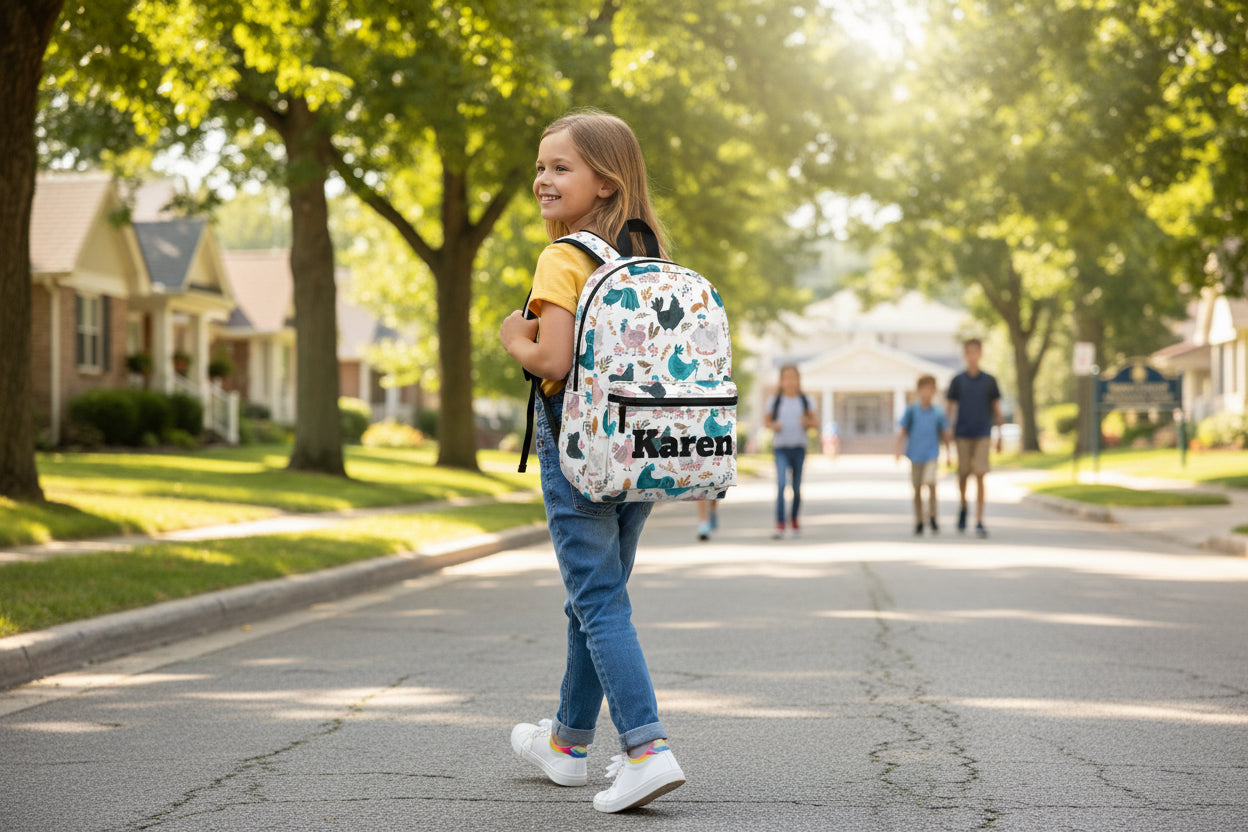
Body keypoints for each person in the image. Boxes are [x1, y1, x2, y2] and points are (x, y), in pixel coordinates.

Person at [499, 110, 685, 813]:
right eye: (540, 166)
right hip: (641, 447)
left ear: (605, 182)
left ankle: (646, 749)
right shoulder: (647, 253)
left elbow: (551, 358)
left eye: (560, 168)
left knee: (597, 597)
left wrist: (513, 335)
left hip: (579, 444)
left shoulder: (561, 258)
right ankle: (567, 745)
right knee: (595, 597)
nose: (543, 179)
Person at [945, 338, 1003, 537]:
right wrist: (947, 432)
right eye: (968, 352)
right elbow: (949, 408)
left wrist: (1000, 434)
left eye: (975, 352)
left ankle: (979, 519)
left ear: (980, 354)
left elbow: (997, 408)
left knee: (980, 474)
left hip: (983, 433)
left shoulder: (989, 381)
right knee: (962, 474)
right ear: (965, 355)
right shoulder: (957, 380)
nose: (972, 356)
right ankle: (963, 507)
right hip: (962, 433)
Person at [765, 364, 818, 539]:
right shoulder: (775, 401)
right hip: (781, 448)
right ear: (781, 381)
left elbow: (815, 423)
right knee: (781, 485)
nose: (790, 381)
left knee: (796, 487)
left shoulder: (805, 400)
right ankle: (780, 523)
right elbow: (766, 422)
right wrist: (774, 425)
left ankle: (794, 519)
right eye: (786, 378)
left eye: (793, 377)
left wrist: (807, 423)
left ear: (798, 380)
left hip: (798, 448)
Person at [895, 374, 950, 536]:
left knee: (930, 482)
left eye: (930, 389)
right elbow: (903, 430)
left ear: (934, 391)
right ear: (919, 391)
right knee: (917, 488)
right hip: (915, 453)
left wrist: (948, 453)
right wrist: (897, 450)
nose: (927, 392)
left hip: (932, 453)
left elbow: (945, 432)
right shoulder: (912, 410)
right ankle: (919, 520)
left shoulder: (938, 412)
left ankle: (932, 516)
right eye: (924, 389)